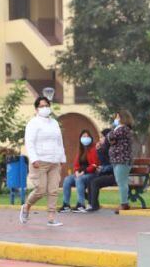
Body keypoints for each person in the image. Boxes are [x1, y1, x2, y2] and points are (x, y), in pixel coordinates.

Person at [19, 96, 65, 227]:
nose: (45, 108)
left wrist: (62, 157)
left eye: (47, 105)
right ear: (36, 109)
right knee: (41, 190)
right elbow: (29, 142)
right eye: (41, 106)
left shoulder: (54, 123)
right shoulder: (33, 123)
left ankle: (51, 217)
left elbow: (59, 141)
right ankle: (27, 206)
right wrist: (34, 158)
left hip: (54, 161)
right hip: (40, 161)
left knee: (53, 190)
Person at [59, 129, 98, 212]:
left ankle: (81, 205)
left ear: (91, 138)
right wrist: (76, 172)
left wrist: (84, 172)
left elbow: (94, 165)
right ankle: (66, 205)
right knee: (67, 179)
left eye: (87, 136)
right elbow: (76, 164)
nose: (86, 138)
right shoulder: (81, 150)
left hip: (91, 174)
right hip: (81, 174)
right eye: (84, 136)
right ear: (80, 138)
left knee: (79, 179)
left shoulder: (93, 149)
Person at [107, 110, 134, 212]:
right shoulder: (120, 129)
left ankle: (124, 203)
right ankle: (124, 202)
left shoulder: (123, 129)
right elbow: (111, 139)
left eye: (118, 117)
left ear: (123, 118)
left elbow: (111, 137)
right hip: (118, 160)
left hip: (122, 160)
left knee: (121, 182)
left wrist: (111, 132)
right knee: (120, 181)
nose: (116, 119)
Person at [85, 128, 113, 211]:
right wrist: (99, 150)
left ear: (107, 137)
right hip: (105, 174)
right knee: (90, 180)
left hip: (113, 175)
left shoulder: (112, 149)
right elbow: (102, 162)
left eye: (102, 137)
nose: (100, 139)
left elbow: (113, 166)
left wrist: (103, 168)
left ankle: (93, 205)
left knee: (94, 182)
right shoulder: (103, 148)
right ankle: (92, 204)